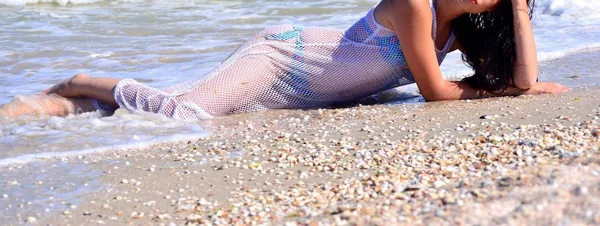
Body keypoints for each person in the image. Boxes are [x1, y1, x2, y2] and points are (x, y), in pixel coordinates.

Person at [0, 0, 570, 121]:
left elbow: (521, 78)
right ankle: (80, 82)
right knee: (184, 111)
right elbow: (436, 94)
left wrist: (519, 6)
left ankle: (68, 107)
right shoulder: (417, 4)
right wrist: (508, 95)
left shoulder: (463, 22)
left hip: (318, 87)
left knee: (193, 114)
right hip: (284, 58)